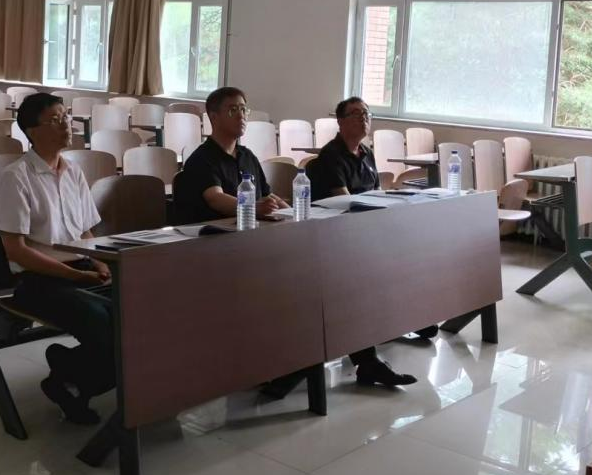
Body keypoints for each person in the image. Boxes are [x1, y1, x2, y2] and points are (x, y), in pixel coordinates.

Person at [0, 93, 114, 425]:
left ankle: (68, 371)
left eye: (67, 117)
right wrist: (75, 276)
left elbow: (87, 231)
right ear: (32, 131)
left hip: (82, 269)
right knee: (100, 321)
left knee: (135, 310)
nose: (67, 125)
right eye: (56, 120)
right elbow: (16, 250)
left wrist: (101, 263)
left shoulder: (74, 171)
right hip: (38, 280)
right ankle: (71, 375)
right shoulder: (15, 177)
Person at [302, 95, 423, 389]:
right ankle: (368, 361)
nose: (363, 118)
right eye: (356, 114)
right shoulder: (331, 156)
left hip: (363, 230)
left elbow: (377, 193)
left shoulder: (366, 153)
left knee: (412, 252)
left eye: (366, 113)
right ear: (341, 122)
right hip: (334, 236)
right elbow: (345, 201)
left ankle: (409, 317)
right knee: (357, 284)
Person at [173, 86, 288, 224]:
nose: (241, 116)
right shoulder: (201, 158)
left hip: (248, 228)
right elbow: (215, 198)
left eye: (243, 110)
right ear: (214, 117)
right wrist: (253, 208)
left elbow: (267, 195)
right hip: (215, 232)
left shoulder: (248, 156)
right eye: (233, 110)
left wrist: (292, 213)